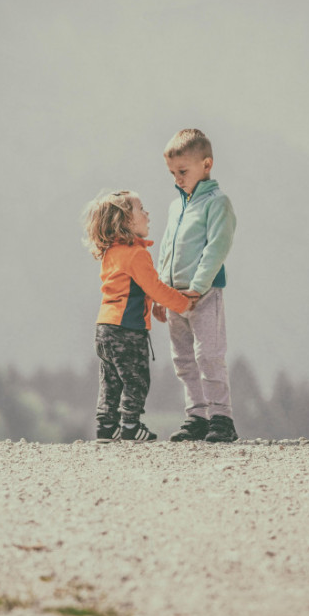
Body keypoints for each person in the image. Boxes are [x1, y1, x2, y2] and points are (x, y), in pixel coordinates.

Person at [82, 189, 196, 441]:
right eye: (141, 209)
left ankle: (106, 425)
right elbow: (153, 287)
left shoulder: (111, 252)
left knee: (110, 380)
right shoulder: (136, 253)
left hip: (104, 327)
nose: (147, 213)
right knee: (137, 378)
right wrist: (184, 304)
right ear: (125, 221)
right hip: (127, 328)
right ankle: (130, 426)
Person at [151, 129, 239, 443]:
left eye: (183, 172)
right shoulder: (176, 207)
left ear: (207, 165)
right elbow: (166, 249)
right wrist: (159, 292)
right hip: (175, 298)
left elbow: (217, 247)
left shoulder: (218, 203)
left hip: (204, 295)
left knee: (209, 355)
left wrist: (199, 287)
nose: (177, 179)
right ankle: (197, 416)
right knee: (183, 359)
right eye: (172, 173)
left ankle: (221, 418)